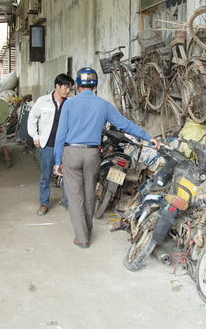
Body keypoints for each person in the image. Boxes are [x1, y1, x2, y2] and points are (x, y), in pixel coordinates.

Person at [54, 68, 160, 249]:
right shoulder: (103, 104)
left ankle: (82, 238)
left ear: (77, 85)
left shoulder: (69, 104)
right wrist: (147, 137)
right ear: (95, 85)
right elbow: (125, 124)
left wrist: (58, 161)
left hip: (72, 153)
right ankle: (86, 231)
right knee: (89, 194)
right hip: (93, 153)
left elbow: (60, 133)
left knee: (75, 196)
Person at [27, 74, 74, 215]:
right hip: (48, 145)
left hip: (65, 146)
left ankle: (68, 202)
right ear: (57, 86)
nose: (68, 91)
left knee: (67, 175)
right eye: (65, 87)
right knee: (45, 176)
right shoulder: (43, 101)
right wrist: (35, 136)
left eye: (70, 88)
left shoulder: (70, 103)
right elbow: (32, 118)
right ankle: (44, 203)